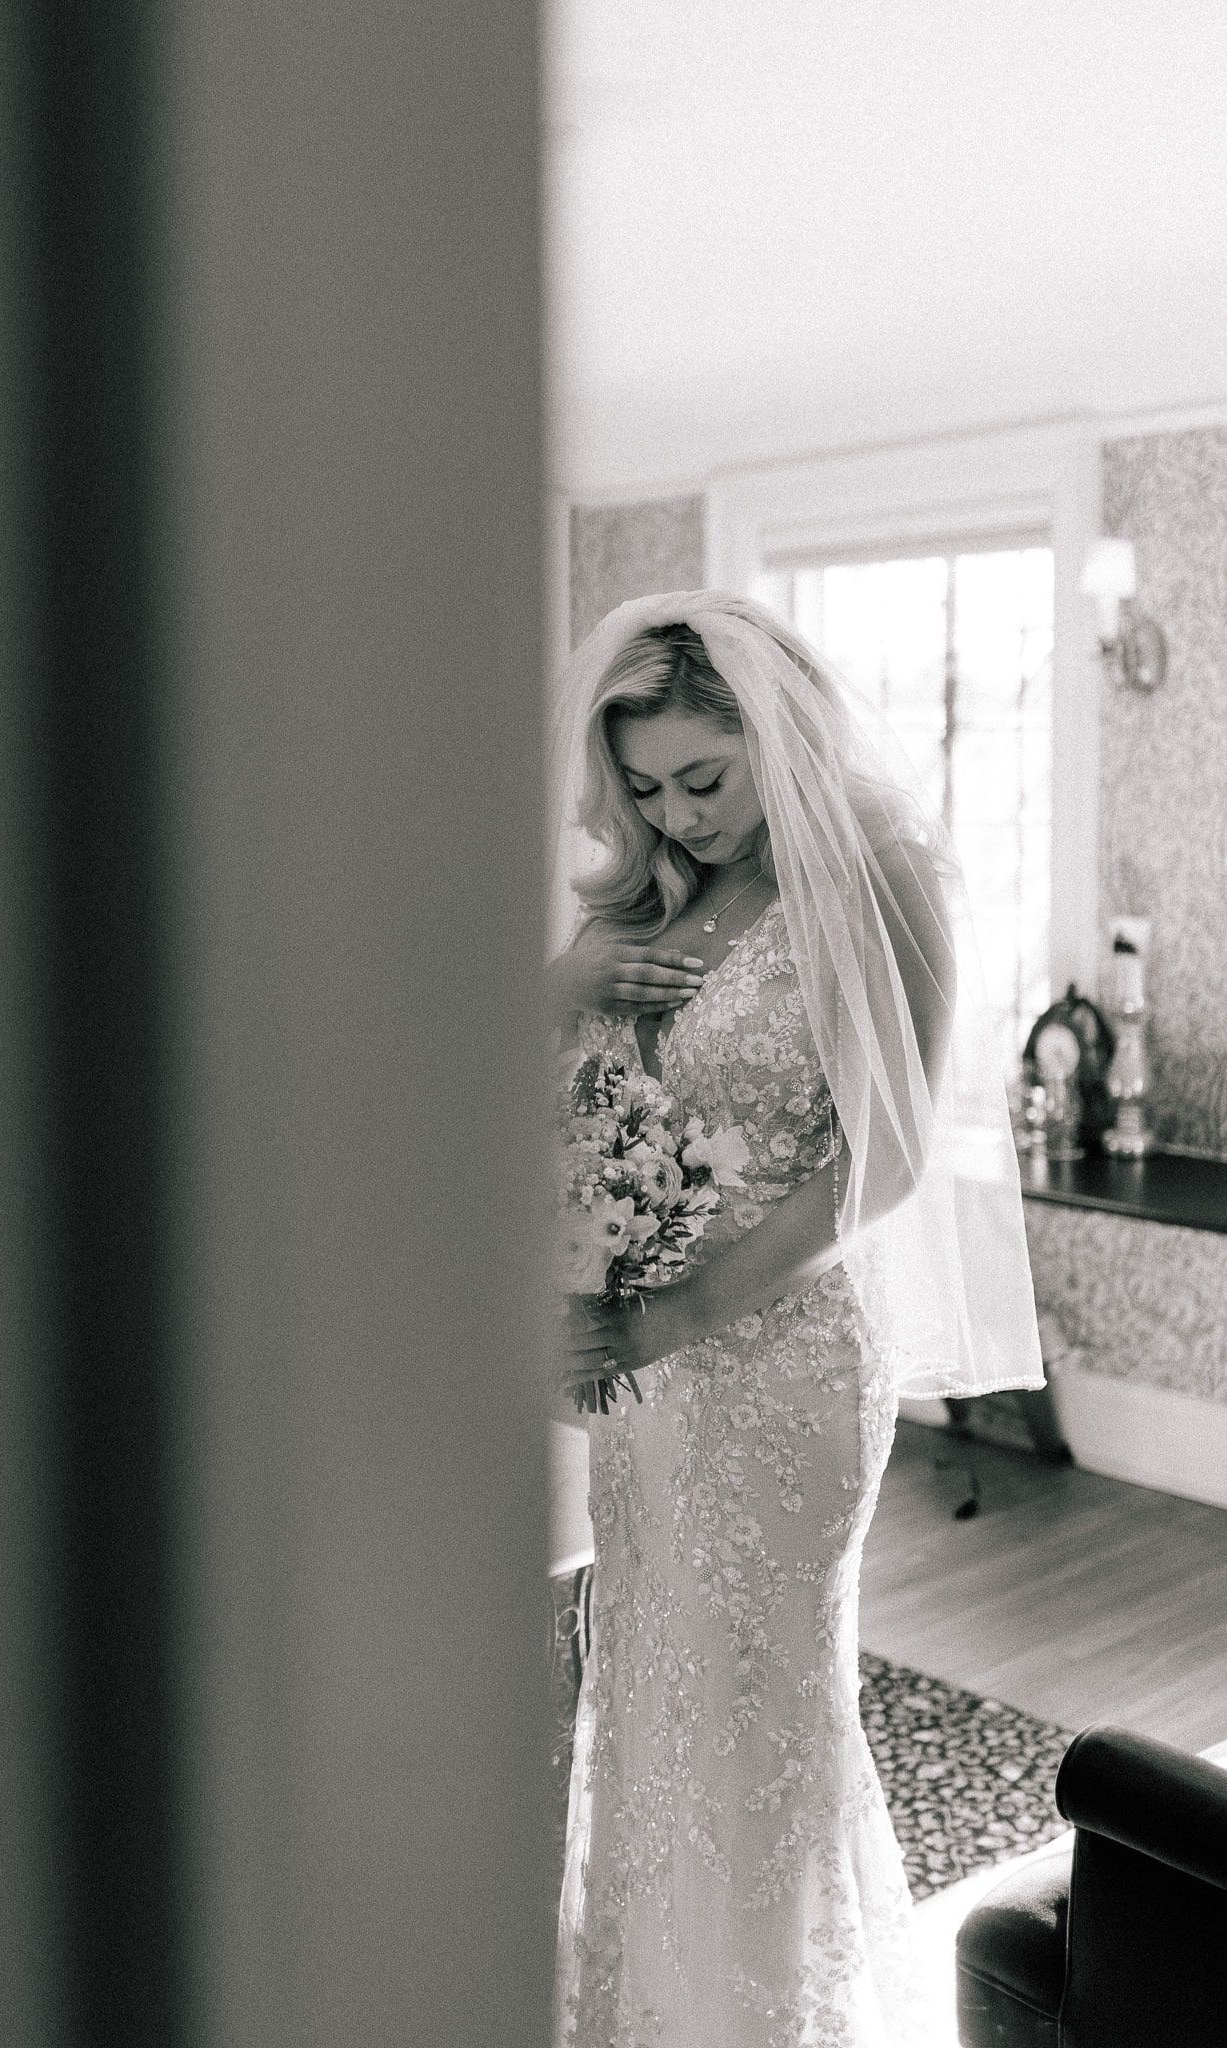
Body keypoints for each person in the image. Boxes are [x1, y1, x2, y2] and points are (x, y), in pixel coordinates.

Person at [543, 592, 1044, 2047]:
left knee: (756, 1717)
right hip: (642, 1381)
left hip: (778, 1369)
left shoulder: (878, 875)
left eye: (704, 777)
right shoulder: (643, 896)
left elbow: (880, 1163)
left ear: (779, 732)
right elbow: (568, 1110)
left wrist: (674, 1312)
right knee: (642, 1692)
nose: (679, 816)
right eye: (642, 789)